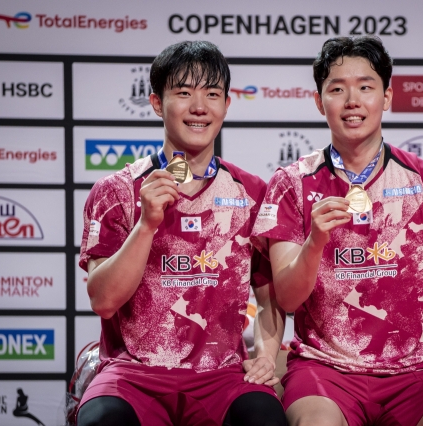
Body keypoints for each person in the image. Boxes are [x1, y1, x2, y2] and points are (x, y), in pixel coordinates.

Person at [251, 36, 423, 426]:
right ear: (318, 101)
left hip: (416, 373)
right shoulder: (290, 184)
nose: (352, 101)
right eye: (337, 89)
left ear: (387, 96)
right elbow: (288, 299)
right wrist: (315, 243)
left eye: (365, 87)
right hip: (326, 372)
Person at [77, 40, 287, 426]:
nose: (199, 107)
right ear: (157, 103)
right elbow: (103, 301)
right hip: (133, 376)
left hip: (221, 376)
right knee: (100, 421)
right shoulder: (117, 191)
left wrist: (265, 355)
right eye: (184, 93)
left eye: (212, 94)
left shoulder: (252, 193)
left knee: (265, 418)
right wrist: (146, 225)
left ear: (226, 104)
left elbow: (270, 293)